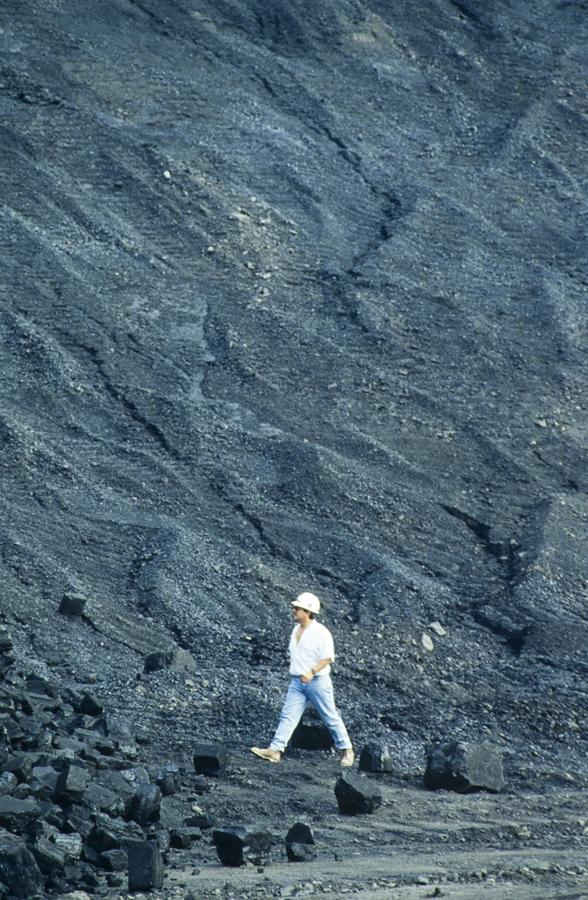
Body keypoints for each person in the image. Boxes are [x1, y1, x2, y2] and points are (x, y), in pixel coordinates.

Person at [251, 591, 354, 766]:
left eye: (297, 608)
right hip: (298, 681)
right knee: (288, 715)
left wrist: (311, 672)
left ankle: (347, 750)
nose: (294, 610)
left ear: (308, 611)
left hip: (317, 682)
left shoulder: (321, 632)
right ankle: (275, 750)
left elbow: (328, 657)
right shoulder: (295, 630)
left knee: (329, 716)